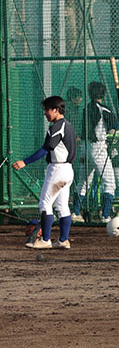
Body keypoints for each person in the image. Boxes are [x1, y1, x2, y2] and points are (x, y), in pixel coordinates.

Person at [13, 95, 78, 249]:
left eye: (47, 110)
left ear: (56, 110)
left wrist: (25, 162)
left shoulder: (57, 127)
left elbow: (45, 149)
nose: (45, 113)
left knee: (45, 203)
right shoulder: (68, 125)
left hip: (58, 170)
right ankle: (63, 240)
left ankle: (45, 240)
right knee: (62, 206)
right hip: (67, 170)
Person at [72, 81, 119, 223]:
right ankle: (105, 215)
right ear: (102, 94)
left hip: (85, 147)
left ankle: (76, 213)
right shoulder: (103, 109)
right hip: (97, 148)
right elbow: (116, 125)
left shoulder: (86, 108)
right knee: (110, 183)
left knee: (83, 182)